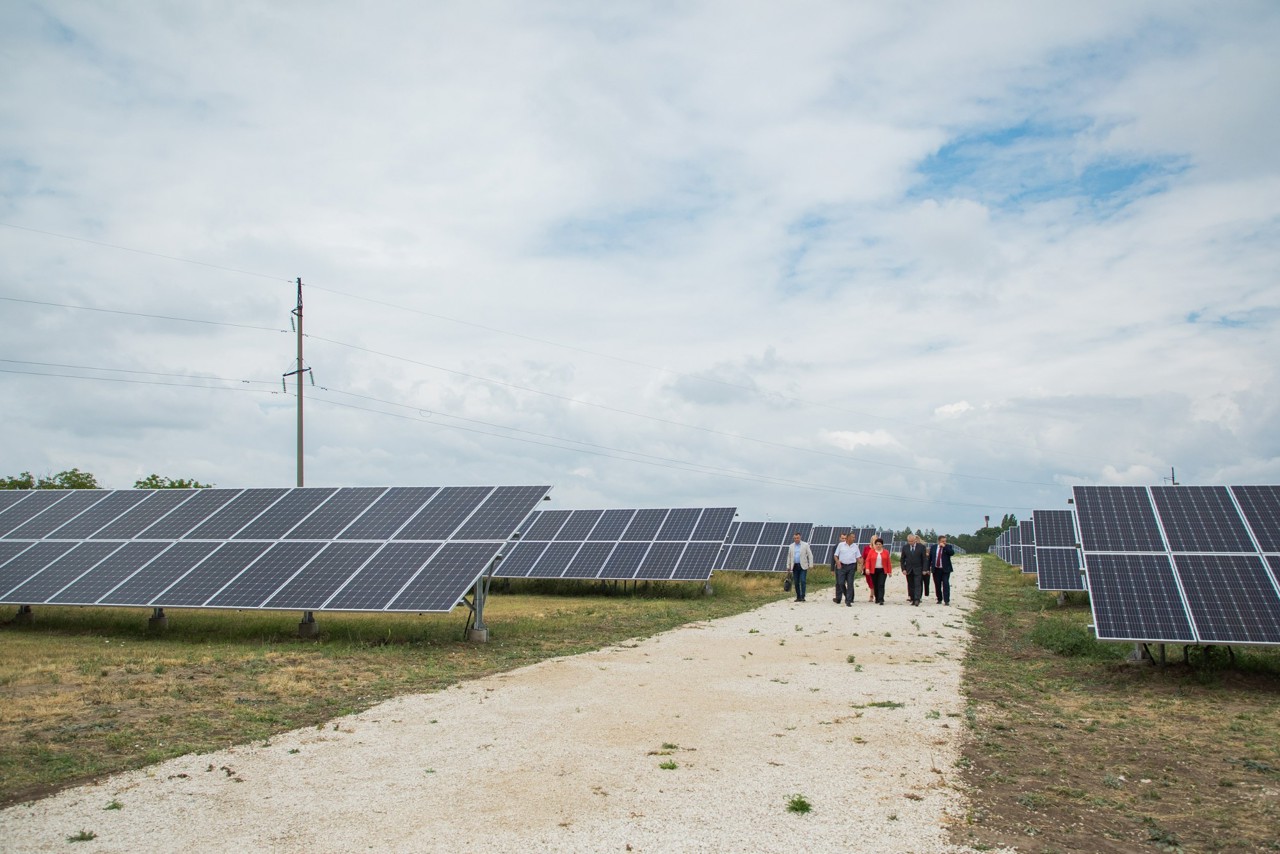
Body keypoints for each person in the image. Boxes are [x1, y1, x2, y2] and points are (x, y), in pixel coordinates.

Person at [899, 533, 928, 606]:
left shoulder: (921, 547)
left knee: (917, 584)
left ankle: (917, 599)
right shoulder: (905, 547)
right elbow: (902, 559)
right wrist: (903, 569)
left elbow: (924, 559)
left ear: (915, 540)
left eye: (912, 541)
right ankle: (912, 598)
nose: (910, 543)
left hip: (918, 569)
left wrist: (924, 569)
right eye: (909, 541)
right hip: (909, 569)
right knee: (911, 585)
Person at [928, 535, 956, 605]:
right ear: (938, 541)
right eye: (942, 541)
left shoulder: (948, 547)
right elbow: (930, 558)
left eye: (945, 541)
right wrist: (928, 568)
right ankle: (939, 599)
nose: (944, 542)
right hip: (936, 569)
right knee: (937, 584)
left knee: (945, 584)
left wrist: (945, 547)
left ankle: (946, 600)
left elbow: (952, 553)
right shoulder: (933, 547)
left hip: (945, 569)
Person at [833, 532, 859, 606]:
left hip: (851, 566)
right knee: (841, 583)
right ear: (848, 538)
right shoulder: (841, 545)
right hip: (842, 566)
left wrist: (862, 564)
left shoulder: (855, 546)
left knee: (850, 583)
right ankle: (847, 595)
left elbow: (858, 557)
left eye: (854, 537)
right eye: (852, 537)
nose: (854, 539)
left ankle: (848, 600)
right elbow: (835, 555)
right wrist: (837, 562)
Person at [789, 532, 814, 602]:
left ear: (800, 538)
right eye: (795, 538)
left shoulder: (805, 545)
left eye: (797, 538)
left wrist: (811, 565)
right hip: (795, 566)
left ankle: (803, 596)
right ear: (793, 538)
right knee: (796, 582)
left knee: (803, 581)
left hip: (803, 566)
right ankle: (798, 596)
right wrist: (788, 566)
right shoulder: (791, 546)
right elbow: (789, 557)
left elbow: (810, 555)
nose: (796, 539)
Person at [866, 537, 892, 605]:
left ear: (882, 545)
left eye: (879, 544)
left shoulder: (886, 552)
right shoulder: (871, 551)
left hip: (882, 570)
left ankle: (881, 599)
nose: (878, 545)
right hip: (874, 570)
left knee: (881, 584)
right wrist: (867, 568)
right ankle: (877, 597)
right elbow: (868, 560)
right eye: (877, 544)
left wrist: (889, 571)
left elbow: (888, 562)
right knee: (875, 585)